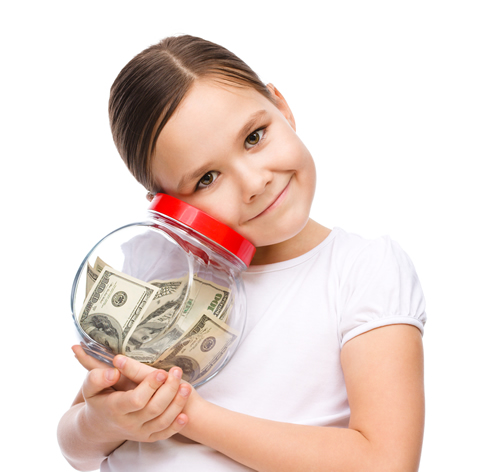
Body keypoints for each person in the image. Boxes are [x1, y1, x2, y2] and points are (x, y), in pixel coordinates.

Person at [57, 35, 427, 471]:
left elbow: (385, 461)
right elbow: (76, 448)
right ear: (168, 207)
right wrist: (103, 421)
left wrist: (185, 413)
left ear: (282, 106)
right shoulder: (156, 269)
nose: (254, 183)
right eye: (207, 178)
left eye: (254, 136)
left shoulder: (362, 270)